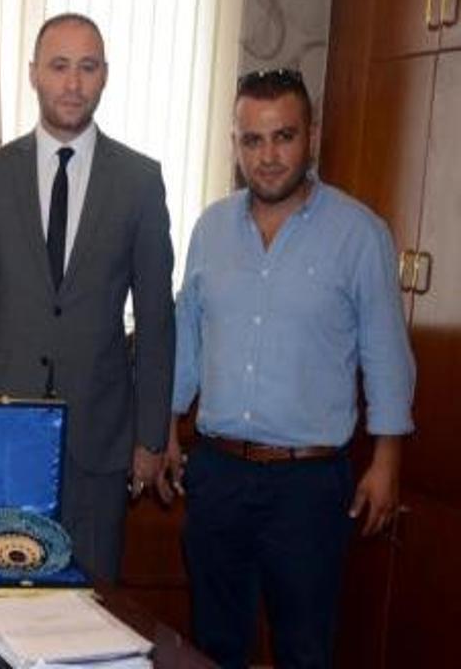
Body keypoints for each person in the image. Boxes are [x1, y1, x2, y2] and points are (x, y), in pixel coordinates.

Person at [163, 69, 415, 668]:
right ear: (235, 144)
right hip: (218, 473)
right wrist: (166, 428)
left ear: (312, 137)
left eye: (283, 136)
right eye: (252, 140)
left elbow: (386, 351)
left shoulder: (360, 234)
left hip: (309, 484)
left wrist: (387, 462)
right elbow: (186, 340)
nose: (268, 156)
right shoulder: (210, 229)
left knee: (304, 648)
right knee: (214, 644)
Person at [0, 12, 175, 583]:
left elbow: (157, 318)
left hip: (99, 440)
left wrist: (151, 437)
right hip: (6, 432)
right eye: (59, 66)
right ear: (34, 73)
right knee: (1, 595)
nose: (73, 83)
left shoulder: (139, 180)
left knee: (91, 596)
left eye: (87, 67)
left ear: (105, 75)